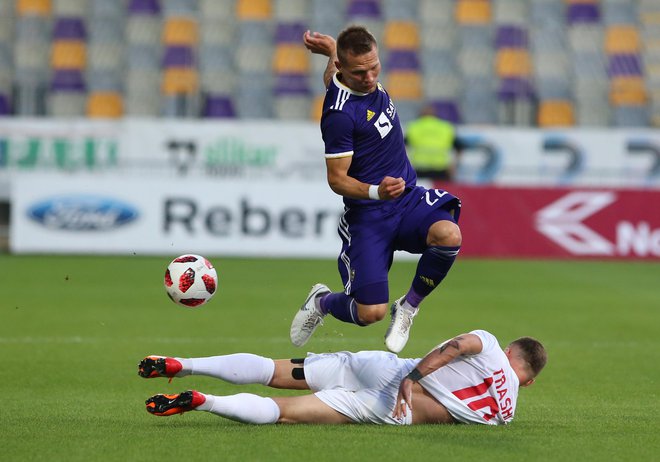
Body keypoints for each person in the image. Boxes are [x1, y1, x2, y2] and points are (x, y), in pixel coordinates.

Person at [291, 25, 463, 354]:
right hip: (370, 213)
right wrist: (375, 192)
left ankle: (409, 307)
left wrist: (331, 50)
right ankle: (323, 302)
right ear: (344, 68)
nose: (370, 78)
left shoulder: (350, 76)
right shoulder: (339, 116)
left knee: (449, 235)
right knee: (370, 313)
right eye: (360, 72)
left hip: (407, 199)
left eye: (374, 67)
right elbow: (336, 179)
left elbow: (333, 80)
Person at [138, 330, 547, 426]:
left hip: (388, 369)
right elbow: (445, 411)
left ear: (511, 351)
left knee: (277, 371)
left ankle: (184, 362)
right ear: (526, 381)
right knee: (283, 412)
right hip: (388, 409)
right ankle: (204, 401)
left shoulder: (492, 346)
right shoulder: (503, 415)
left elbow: (459, 345)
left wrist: (415, 374)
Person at [405, 104, 465, 183]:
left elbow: (401, 148)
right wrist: (453, 166)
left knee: (420, 194)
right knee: (442, 194)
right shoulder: (446, 127)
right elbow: (459, 148)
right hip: (441, 169)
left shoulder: (413, 127)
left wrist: (406, 167)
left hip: (420, 169)